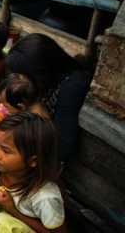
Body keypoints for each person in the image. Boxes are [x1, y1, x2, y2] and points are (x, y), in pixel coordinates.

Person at [6, 33, 91, 161]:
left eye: (24, 75)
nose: (22, 80)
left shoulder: (72, 87)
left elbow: (63, 149)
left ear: (39, 71)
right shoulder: (52, 77)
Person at [0, 73, 48, 162]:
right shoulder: (33, 105)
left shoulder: (33, 125)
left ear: (21, 107)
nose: (1, 108)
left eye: (5, 106)